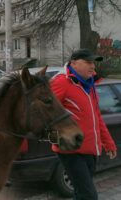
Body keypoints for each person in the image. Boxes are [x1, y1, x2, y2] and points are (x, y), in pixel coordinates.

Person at [50, 49, 117, 200]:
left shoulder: (90, 84)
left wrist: (109, 143)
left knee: (81, 193)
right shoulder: (61, 82)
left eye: (93, 62)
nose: (93, 66)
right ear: (73, 63)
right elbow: (46, 114)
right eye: (88, 62)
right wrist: (56, 142)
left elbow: (96, 117)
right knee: (89, 196)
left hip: (91, 150)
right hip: (71, 152)